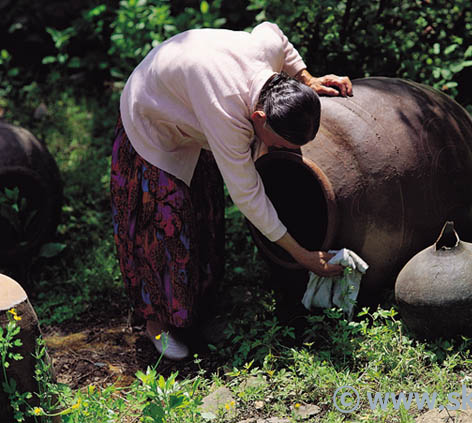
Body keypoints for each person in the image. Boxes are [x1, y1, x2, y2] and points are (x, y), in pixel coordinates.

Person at [110, 22, 353, 360]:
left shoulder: (265, 58)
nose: (282, 149)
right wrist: (302, 255)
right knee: (167, 221)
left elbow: (274, 33)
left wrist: (307, 78)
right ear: (258, 117)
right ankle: (158, 323)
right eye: (280, 143)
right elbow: (248, 197)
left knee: (203, 210)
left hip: (190, 103)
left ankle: (199, 301)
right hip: (152, 117)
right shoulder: (226, 113)